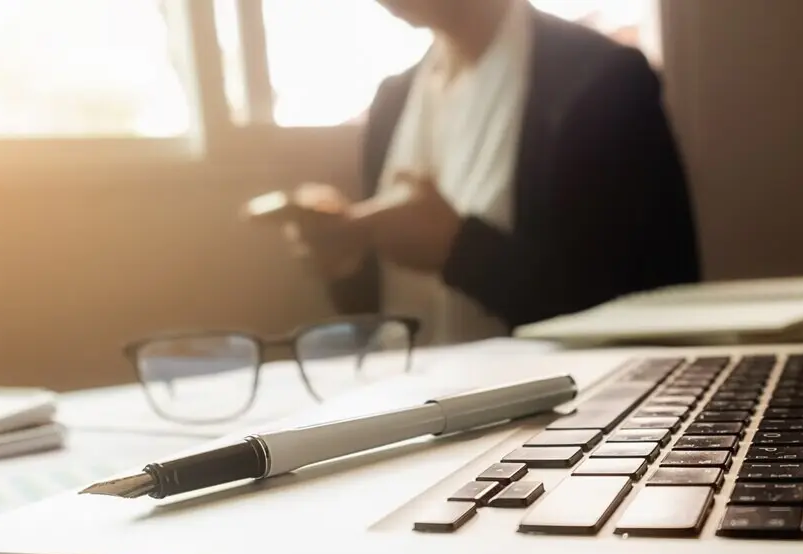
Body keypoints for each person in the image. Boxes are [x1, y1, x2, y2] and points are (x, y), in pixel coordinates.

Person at [282, 0, 702, 344]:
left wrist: (462, 250)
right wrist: (345, 257)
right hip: (415, 411)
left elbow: (655, 298)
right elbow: (391, 311)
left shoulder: (605, 81)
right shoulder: (392, 101)